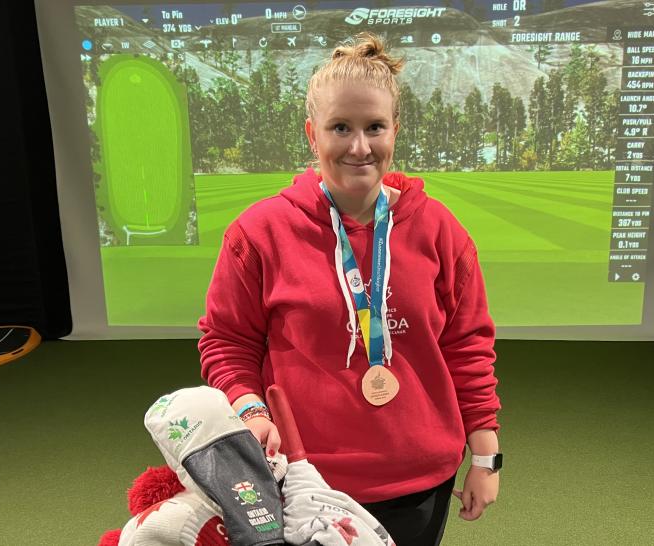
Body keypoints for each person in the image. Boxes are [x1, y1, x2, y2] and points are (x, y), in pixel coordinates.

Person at [198, 32, 501, 545]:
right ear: (312, 134)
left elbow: (467, 345)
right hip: (304, 478)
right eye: (341, 127)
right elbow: (227, 341)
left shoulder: (439, 230)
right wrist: (250, 409)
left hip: (420, 478)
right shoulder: (259, 233)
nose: (359, 146)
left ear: (395, 131)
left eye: (374, 127)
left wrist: (487, 455)